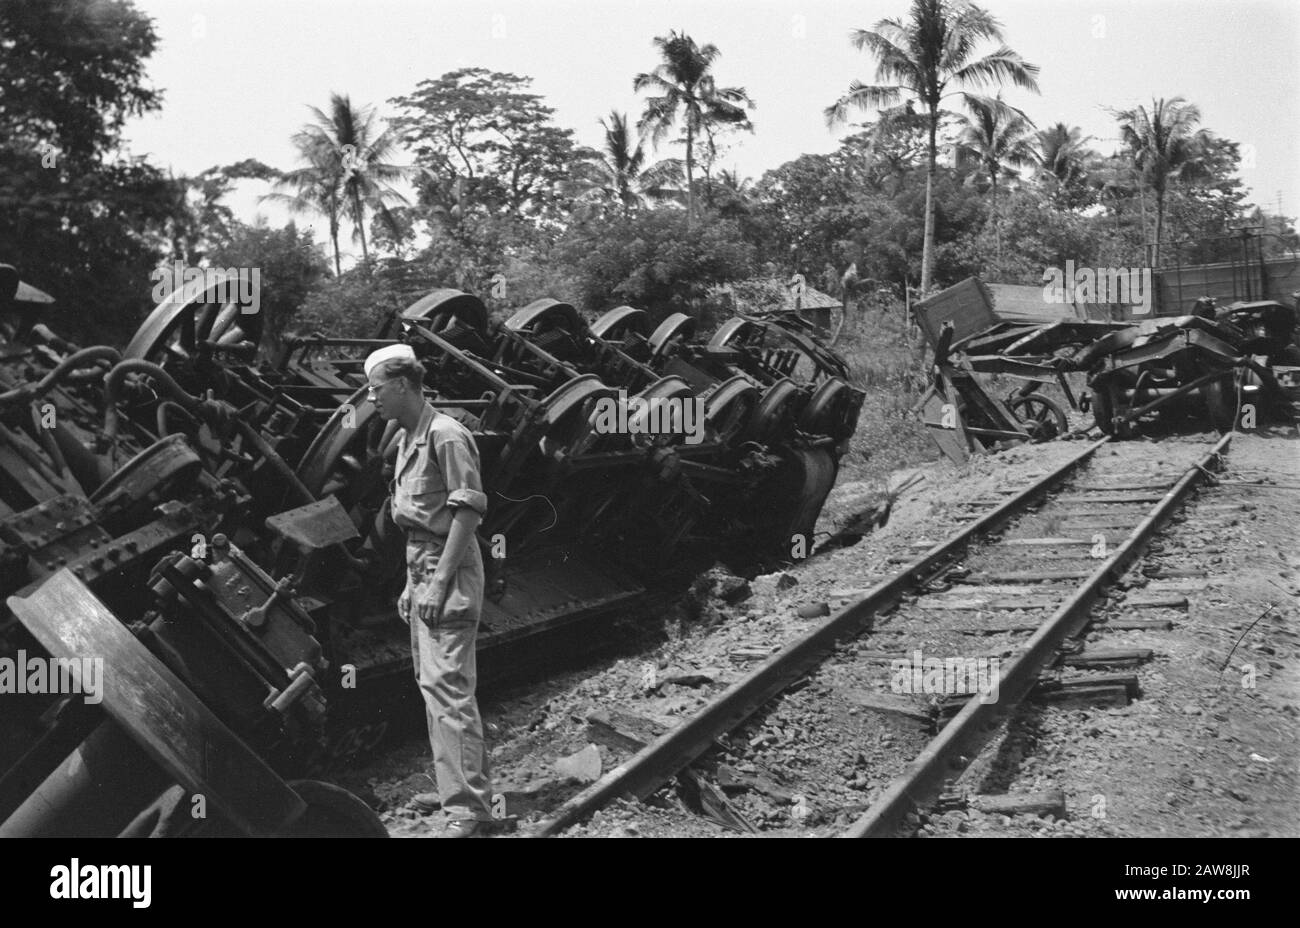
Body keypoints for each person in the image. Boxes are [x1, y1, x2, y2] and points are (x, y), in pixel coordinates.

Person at [364, 343, 495, 838]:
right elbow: (421, 523)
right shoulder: (407, 437)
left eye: (376, 389)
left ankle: (469, 813)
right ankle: (456, 793)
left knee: (449, 691)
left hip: (451, 570)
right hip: (423, 567)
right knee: (435, 688)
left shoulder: (446, 435)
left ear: (401, 385)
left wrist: (438, 583)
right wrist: (410, 582)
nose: (371, 398)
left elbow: (468, 512)